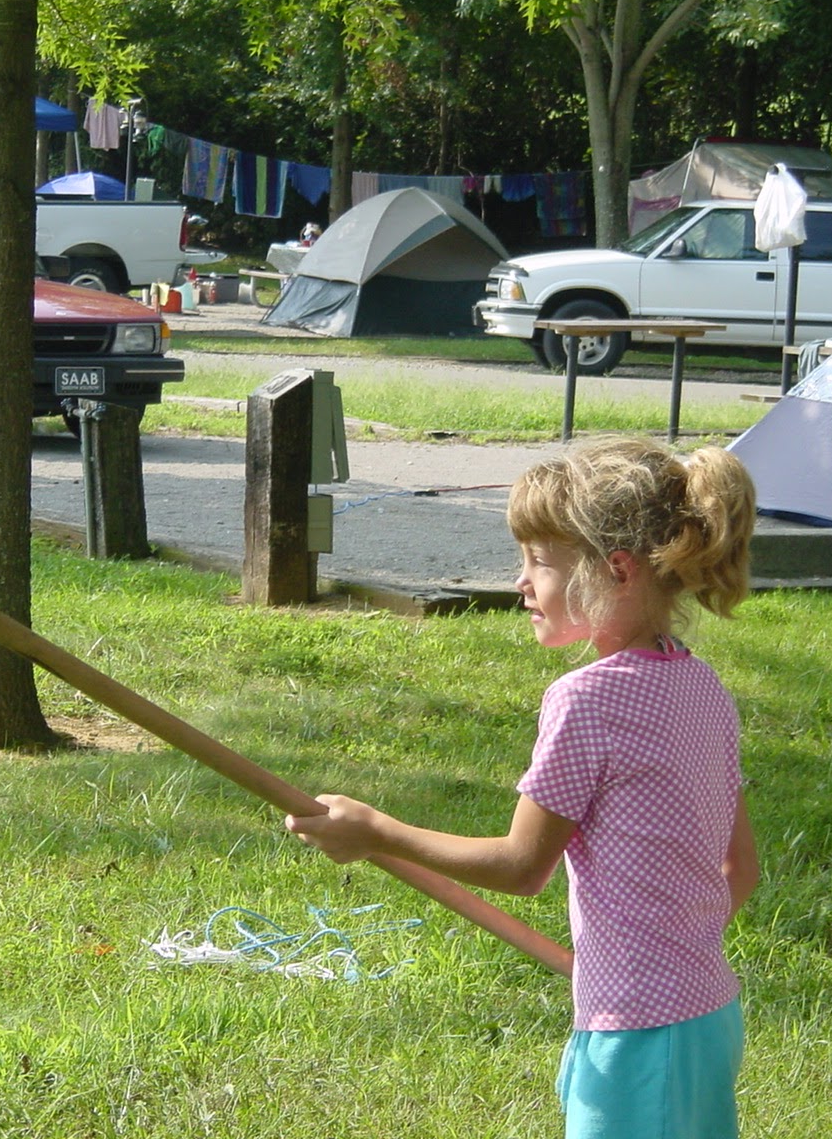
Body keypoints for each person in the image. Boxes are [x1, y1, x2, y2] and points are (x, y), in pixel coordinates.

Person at [286, 436, 760, 1138]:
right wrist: (666, 950)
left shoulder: (586, 700)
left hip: (635, 1033)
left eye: (538, 561)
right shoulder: (703, 687)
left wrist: (375, 833)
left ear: (617, 571)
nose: (521, 581)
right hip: (708, 1015)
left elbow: (521, 866)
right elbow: (740, 870)